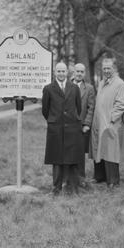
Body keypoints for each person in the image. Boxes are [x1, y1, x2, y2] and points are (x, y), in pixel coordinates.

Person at [42, 62, 84, 196]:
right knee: (57, 159)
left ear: (67, 72)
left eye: (63, 71)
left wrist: (72, 120)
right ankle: (56, 188)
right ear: (54, 72)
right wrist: (54, 120)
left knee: (72, 158)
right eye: (58, 71)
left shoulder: (74, 88)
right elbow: (45, 110)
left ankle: (73, 188)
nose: (61, 73)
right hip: (56, 128)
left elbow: (79, 107)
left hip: (72, 128)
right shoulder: (48, 88)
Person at [89, 57, 124, 189]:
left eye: (109, 68)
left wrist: (111, 120)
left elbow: (121, 104)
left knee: (111, 151)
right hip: (99, 121)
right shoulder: (101, 83)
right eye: (104, 68)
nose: (106, 70)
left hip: (111, 123)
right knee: (99, 149)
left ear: (114, 69)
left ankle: (113, 180)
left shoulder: (120, 84)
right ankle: (100, 176)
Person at [71, 63, 96, 187]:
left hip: (81, 126)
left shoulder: (89, 88)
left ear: (84, 73)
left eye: (82, 71)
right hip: (67, 125)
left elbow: (91, 108)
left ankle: (80, 179)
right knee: (67, 152)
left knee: (80, 153)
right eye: (77, 71)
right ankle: (68, 178)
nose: (79, 73)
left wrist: (87, 124)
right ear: (73, 72)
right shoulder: (66, 85)